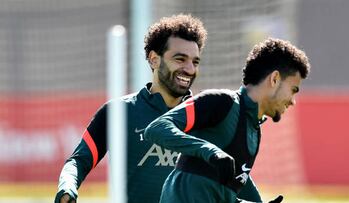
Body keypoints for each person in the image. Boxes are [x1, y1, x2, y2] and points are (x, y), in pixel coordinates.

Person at [54, 14, 262, 203]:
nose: (189, 69)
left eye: (195, 61)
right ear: (154, 59)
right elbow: (78, 162)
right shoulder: (118, 112)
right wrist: (67, 188)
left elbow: (234, 175)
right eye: (180, 59)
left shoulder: (210, 114)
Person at [144, 37, 311, 203]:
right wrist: (211, 152)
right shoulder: (221, 102)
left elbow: (226, 194)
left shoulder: (254, 130)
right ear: (274, 79)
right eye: (293, 90)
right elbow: (157, 128)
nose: (292, 101)